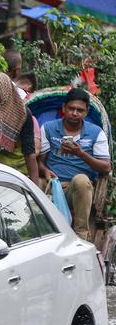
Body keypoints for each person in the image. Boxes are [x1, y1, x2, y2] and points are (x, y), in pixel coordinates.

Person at [39, 88, 112, 241]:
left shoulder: (96, 132)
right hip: (52, 184)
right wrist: (44, 170)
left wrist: (80, 154)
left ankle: (81, 236)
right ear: (64, 108)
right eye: (71, 109)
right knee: (32, 183)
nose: (74, 113)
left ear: (86, 112)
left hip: (77, 190)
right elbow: (39, 161)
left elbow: (106, 167)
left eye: (80, 110)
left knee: (81, 180)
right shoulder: (48, 128)